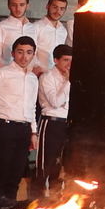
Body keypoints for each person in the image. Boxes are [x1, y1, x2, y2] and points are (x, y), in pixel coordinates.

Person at [0, 36, 39, 207]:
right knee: (1, 171)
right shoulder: (2, 73)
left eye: (29, 53)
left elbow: (31, 107)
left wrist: (33, 132)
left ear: (33, 55)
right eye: (20, 52)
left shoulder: (32, 78)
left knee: (16, 173)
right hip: (4, 126)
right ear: (13, 53)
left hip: (24, 129)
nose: (24, 57)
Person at [35, 43, 71, 195]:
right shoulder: (47, 77)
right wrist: (68, 82)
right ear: (56, 60)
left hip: (67, 124)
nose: (69, 65)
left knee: (62, 164)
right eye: (65, 60)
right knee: (46, 163)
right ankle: (38, 198)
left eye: (71, 61)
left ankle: (57, 198)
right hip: (51, 122)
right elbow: (55, 102)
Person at [0, 0, 36, 69]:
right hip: (7, 75)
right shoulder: (0, 27)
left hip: (29, 75)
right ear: (8, 6)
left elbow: (35, 53)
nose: (18, 9)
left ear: (27, 6)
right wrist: (8, 71)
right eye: (14, 5)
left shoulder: (33, 28)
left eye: (21, 5)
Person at [32, 0, 70, 74]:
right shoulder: (36, 27)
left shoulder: (63, 30)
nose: (58, 11)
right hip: (38, 73)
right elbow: (30, 51)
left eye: (62, 9)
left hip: (57, 75)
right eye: (55, 7)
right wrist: (36, 68)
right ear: (47, 6)